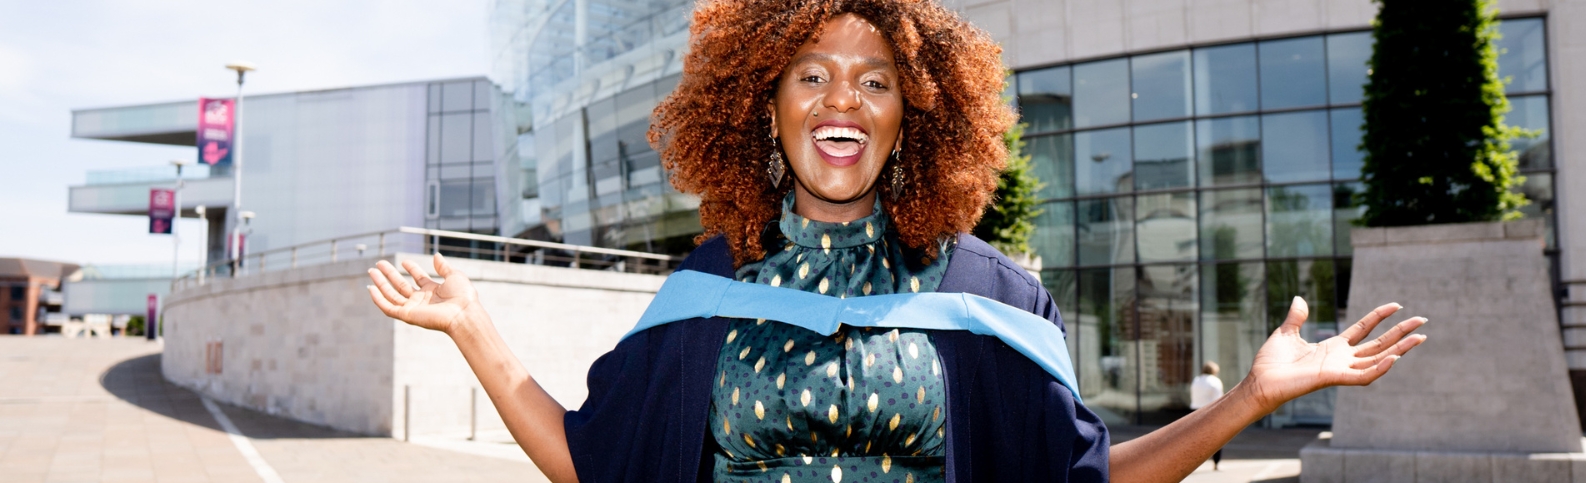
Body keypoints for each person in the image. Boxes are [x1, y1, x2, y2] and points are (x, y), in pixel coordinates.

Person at [364, 0, 1429, 481]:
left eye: (875, 79)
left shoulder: (987, 297)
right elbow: (590, 463)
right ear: (765, 106)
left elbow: (1087, 482)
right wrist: (472, 328)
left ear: (912, 112)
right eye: (812, 74)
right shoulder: (707, 287)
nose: (844, 98)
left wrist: (1248, 401)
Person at [1190, 361, 1226, 470]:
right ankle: (1216, 463)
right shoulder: (1215, 381)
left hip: (1195, 411)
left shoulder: (1196, 380)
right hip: (1210, 411)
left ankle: (1192, 464)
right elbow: (1219, 399)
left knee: (1196, 439)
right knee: (1217, 439)